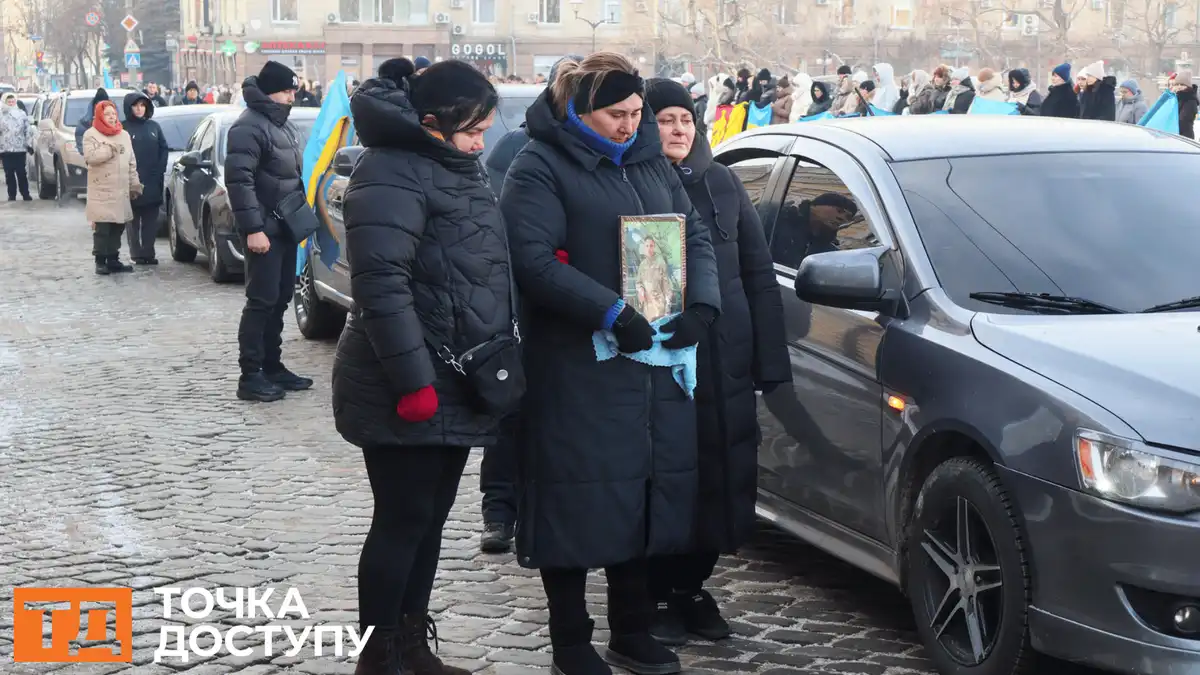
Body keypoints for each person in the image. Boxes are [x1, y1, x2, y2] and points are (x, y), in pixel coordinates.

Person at [500, 52, 721, 675]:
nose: (629, 125)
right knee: (573, 497)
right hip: (579, 364)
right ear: (579, 109)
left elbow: (694, 235)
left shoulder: (652, 161)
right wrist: (607, 311)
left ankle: (633, 627)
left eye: (635, 113)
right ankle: (571, 638)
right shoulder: (539, 165)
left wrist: (703, 304)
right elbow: (533, 258)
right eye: (615, 114)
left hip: (656, 362)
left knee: (643, 494)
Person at [331, 57, 513, 675]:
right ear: (435, 122)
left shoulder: (454, 165)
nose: (481, 142)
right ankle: (375, 658)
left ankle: (410, 644)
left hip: (459, 374)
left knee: (430, 520)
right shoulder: (390, 170)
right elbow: (382, 285)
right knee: (402, 519)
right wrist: (413, 382)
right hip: (404, 378)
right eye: (474, 129)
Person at [643, 77, 790, 645]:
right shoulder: (632, 183)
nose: (678, 130)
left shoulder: (723, 183)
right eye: (665, 120)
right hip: (660, 358)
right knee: (664, 476)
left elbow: (758, 275)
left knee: (718, 478)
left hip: (723, 361)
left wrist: (768, 360)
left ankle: (690, 587)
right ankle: (651, 591)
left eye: (685, 119)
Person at [478, 54, 582, 555]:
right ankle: (499, 510)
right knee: (512, 414)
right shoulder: (518, 149)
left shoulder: (612, 154)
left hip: (581, 309)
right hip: (520, 304)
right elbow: (498, 228)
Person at [225, 61, 312, 402]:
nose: (292, 96)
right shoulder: (247, 127)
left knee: (280, 299)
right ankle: (251, 374)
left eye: (294, 91)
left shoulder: (283, 124)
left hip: (286, 226)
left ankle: (273, 365)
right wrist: (253, 229)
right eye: (287, 91)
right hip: (264, 230)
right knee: (260, 302)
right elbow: (240, 182)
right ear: (269, 91)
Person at [83, 99, 142, 275]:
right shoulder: (91, 134)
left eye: (113, 114)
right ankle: (100, 260)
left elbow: (131, 161)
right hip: (101, 189)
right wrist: (109, 150)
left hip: (120, 188)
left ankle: (113, 258)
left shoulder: (123, 135)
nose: (111, 117)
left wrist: (134, 183)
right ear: (100, 115)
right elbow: (90, 157)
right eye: (107, 114)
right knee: (103, 227)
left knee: (118, 226)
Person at [122, 92, 169, 265]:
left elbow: (163, 149)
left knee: (150, 221)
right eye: (135, 105)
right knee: (133, 221)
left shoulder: (154, 127)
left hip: (153, 181)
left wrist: (159, 171)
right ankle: (136, 253)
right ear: (129, 107)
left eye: (142, 105)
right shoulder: (123, 128)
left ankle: (149, 252)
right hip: (131, 182)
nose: (139, 109)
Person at [0, 92, 34, 201]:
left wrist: (29, 145)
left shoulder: (22, 114)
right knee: (9, 174)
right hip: (5, 149)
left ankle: (25, 194)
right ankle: (12, 195)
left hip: (20, 149)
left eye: (12, 101)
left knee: (21, 173)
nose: (11, 103)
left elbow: (27, 130)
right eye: (8, 102)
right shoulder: (1, 114)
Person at [76, 88, 109, 155]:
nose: (102, 109)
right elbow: (82, 149)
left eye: (105, 106)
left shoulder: (117, 124)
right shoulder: (84, 125)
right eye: (100, 106)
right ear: (95, 106)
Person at [1171, 70, 1198, 139]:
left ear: (1188, 86)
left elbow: (1183, 121)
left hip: (1185, 138)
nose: (1179, 87)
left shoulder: (1190, 100)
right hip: (1177, 136)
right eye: (1177, 84)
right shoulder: (1178, 98)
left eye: (1182, 85)